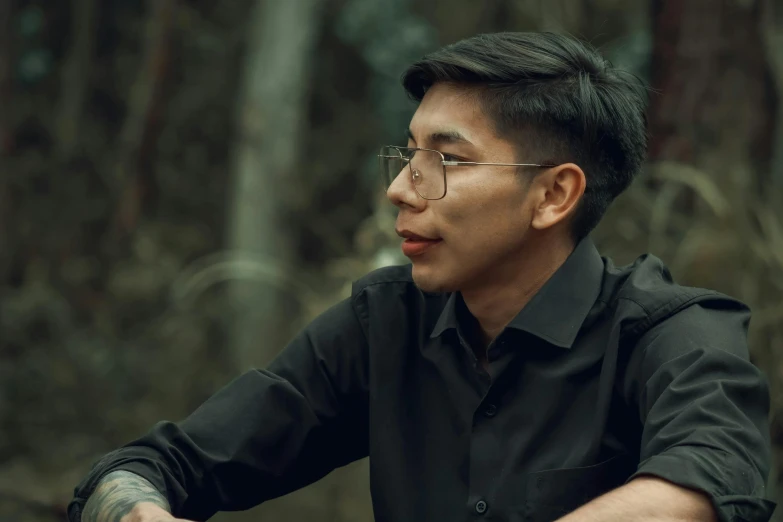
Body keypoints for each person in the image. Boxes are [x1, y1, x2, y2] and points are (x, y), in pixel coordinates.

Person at [69, 32, 775, 522]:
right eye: (406, 154)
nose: (401, 190)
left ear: (554, 195)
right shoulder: (384, 325)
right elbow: (156, 465)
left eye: (447, 159)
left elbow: (706, 483)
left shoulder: (673, 331)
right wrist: (135, 507)